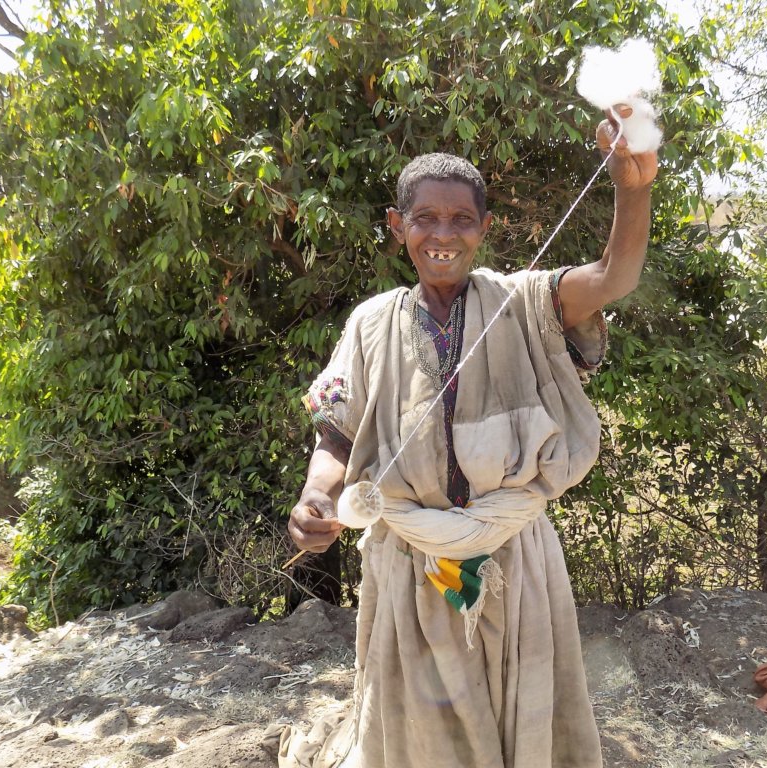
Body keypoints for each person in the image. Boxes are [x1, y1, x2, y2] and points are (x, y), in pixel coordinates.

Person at [285, 105, 657, 768]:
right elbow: (335, 432)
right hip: (408, 562)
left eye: (461, 220)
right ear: (398, 228)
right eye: (425, 218)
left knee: (526, 724)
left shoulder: (526, 302)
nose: (443, 235)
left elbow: (613, 278)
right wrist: (318, 497)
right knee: (417, 738)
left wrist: (633, 187)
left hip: (516, 557)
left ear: (486, 229)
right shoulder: (368, 324)